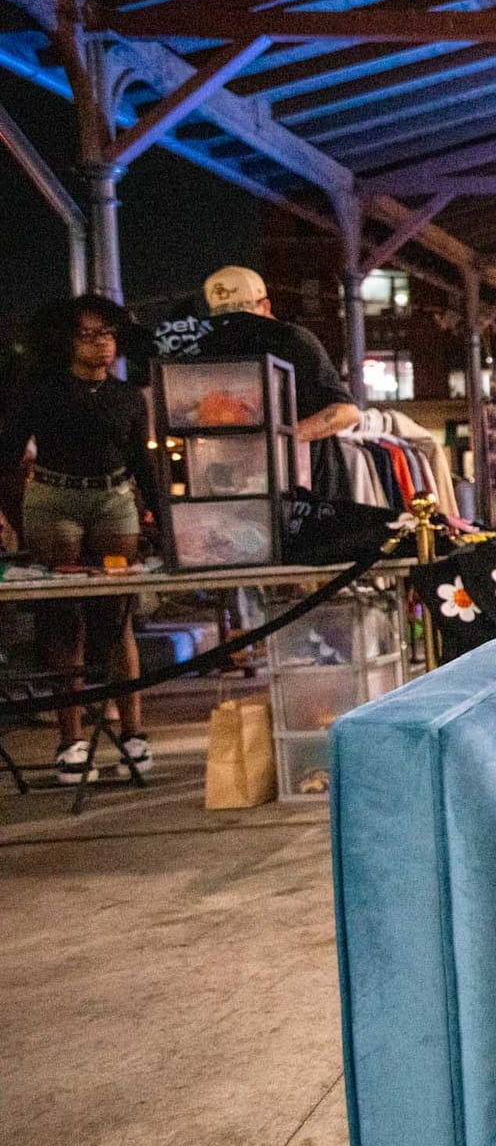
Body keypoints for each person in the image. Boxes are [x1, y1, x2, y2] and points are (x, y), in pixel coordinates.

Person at [0, 296, 162, 783]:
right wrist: (11, 513)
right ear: (67, 340)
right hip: (54, 499)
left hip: (114, 499)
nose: (101, 342)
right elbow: (7, 454)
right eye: (89, 334)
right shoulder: (39, 391)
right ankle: (71, 741)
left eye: (108, 333)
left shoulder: (129, 396)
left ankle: (134, 733)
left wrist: (162, 519)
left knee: (118, 616)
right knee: (62, 617)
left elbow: (141, 461)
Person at [154, 267, 360, 496]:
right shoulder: (291, 338)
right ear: (265, 305)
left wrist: (267, 444)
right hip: (291, 490)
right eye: (228, 322)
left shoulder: (204, 347)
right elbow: (346, 411)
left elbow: (346, 412)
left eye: (244, 321)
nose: (238, 332)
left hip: (250, 487)